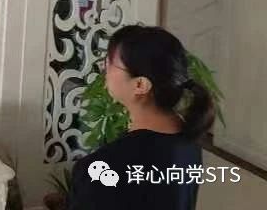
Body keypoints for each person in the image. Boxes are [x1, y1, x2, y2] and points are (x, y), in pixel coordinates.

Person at [68, 25, 215, 210]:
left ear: (140, 85)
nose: (104, 68)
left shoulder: (101, 169)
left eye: (110, 62)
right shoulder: (189, 140)